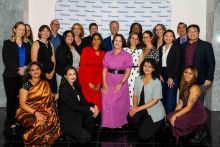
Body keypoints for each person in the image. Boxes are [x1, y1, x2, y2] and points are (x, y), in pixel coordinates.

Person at [16, 61, 61, 146]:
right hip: (27, 111)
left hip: (44, 109)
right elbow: (22, 104)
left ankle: (44, 141)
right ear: (29, 72)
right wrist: (36, 113)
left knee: (51, 119)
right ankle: (32, 142)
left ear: (41, 70)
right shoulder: (26, 84)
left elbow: (49, 97)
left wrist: (61, 92)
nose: (35, 71)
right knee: (39, 123)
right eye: (32, 70)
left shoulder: (45, 83)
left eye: (37, 69)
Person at [2, 21, 31, 135]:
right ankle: (11, 121)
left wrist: (25, 69)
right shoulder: (7, 43)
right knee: (12, 99)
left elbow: (31, 60)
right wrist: (18, 70)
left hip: (25, 77)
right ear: (14, 29)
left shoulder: (27, 43)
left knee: (24, 99)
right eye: (20, 29)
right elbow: (7, 59)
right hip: (11, 76)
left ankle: (21, 119)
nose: (22, 31)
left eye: (24, 30)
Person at [58, 66, 99, 144]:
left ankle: (78, 132)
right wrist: (89, 109)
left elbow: (83, 101)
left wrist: (94, 106)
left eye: (74, 74)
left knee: (92, 114)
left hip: (76, 115)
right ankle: (69, 134)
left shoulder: (76, 86)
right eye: (70, 74)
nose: (73, 76)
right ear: (65, 76)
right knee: (87, 138)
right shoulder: (63, 89)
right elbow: (74, 107)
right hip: (68, 120)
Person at [127, 58, 165, 141]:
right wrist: (134, 107)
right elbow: (135, 94)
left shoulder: (156, 82)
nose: (147, 68)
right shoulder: (138, 79)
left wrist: (137, 109)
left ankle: (157, 126)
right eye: (145, 66)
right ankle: (145, 126)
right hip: (142, 108)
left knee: (143, 136)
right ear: (142, 66)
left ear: (153, 69)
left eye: (150, 67)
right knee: (130, 116)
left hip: (154, 110)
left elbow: (155, 101)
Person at [167, 66, 207, 143]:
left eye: (190, 74)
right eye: (186, 72)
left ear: (194, 76)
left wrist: (175, 116)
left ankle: (198, 129)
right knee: (169, 117)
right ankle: (182, 133)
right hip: (190, 112)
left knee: (175, 121)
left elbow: (188, 108)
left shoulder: (194, 88)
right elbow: (180, 103)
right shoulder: (184, 84)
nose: (187, 75)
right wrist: (174, 114)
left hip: (198, 114)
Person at [102, 34, 133, 129]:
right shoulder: (107, 54)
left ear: (122, 43)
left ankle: (119, 121)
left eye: (120, 41)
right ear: (113, 41)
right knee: (107, 102)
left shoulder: (127, 55)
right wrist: (104, 83)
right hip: (108, 79)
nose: (117, 43)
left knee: (117, 103)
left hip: (120, 80)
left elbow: (128, 71)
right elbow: (104, 69)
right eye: (116, 40)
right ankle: (107, 122)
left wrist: (121, 83)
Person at [180, 24, 215, 103]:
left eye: (195, 31)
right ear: (187, 33)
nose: (192, 33)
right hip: (185, 79)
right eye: (190, 31)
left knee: (197, 103)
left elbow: (211, 63)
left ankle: (200, 115)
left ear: (198, 33)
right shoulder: (182, 46)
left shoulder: (206, 46)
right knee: (185, 102)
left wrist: (209, 78)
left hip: (200, 80)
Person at [78, 33, 105, 111]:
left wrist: (99, 84)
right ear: (92, 41)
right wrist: (89, 83)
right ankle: (89, 122)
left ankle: (95, 122)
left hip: (98, 81)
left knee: (98, 103)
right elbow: (82, 67)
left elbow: (102, 69)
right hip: (86, 81)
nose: (96, 41)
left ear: (100, 41)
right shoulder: (86, 50)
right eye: (94, 39)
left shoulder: (103, 53)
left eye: (98, 39)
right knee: (89, 104)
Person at [158, 30, 180, 114]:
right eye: (166, 36)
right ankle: (162, 119)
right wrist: (159, 74)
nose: (168, 38)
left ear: (173, 37)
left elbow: (177, 63)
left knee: (170, 99)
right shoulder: (161, 48)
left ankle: (169, 120)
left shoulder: (176, 47)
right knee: (162, 97)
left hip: (172, 75)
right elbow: (159, 63)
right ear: (163, 37)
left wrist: (171, 77)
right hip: (162, 75)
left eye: (170, 36)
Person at [31, 25, 57, 93]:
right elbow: (34, 62)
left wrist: (53, 72)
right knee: (42, 95)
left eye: (48, 31)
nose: (46, 33)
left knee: (52, 94)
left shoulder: (50, 44)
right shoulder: (36, 44)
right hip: (40, 74)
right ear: (40, 33)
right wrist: (44, 73)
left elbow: (53, 60)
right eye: (43, 31)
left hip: (51, 74)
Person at [124, 33, 142, 105]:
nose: (134, 40)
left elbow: (141, 66)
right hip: (125, 74)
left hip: (136, 75)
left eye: (136, 39)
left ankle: (133, 111)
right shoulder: (124, 50)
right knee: (125, 93)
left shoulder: (140, 51)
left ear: (138, 41)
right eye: (133, 38)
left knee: (134, 93)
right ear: (129, 39)